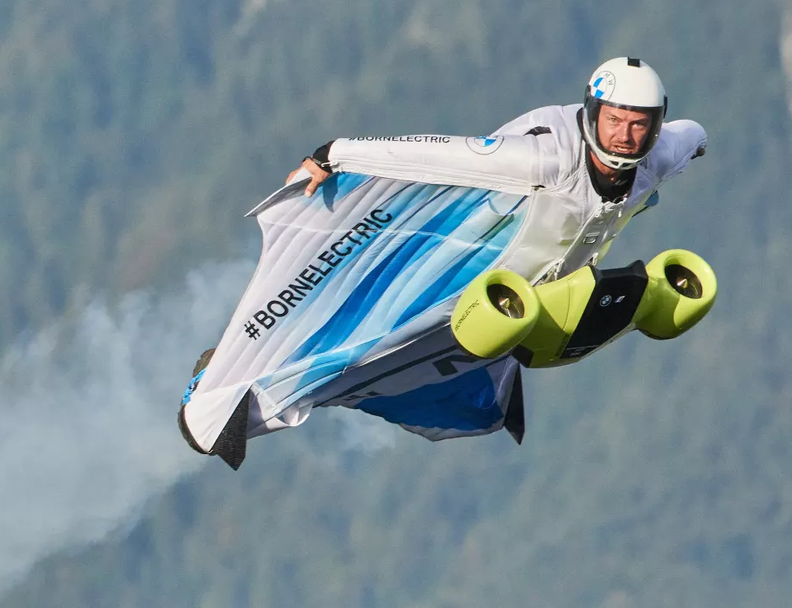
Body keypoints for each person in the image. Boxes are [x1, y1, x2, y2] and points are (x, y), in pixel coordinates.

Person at [273, 56, 707, 443]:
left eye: (638, 125)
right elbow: (436, 156)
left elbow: (694, 134)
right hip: (466, 271)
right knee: (360, 355)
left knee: (653, 300)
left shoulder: (661, 157)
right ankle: (265, 392)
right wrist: (333, 155)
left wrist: (698, 148)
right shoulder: (544, 159)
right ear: (593, 114)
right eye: (614, 120)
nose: (624, 136)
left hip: (531, 297)